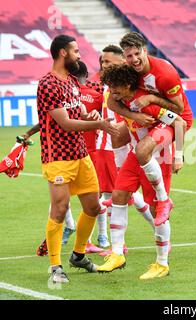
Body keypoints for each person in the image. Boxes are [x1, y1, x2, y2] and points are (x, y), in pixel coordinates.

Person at [98, 37, 193, 279]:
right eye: (128, 56)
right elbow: (112, 101)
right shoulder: (126, 86)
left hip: (163, 139)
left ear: (145, 50)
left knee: (154, 206)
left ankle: (162, 262)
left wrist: (179, 155)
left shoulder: (162, 77)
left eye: (136, 54)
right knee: (119, 193)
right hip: (139, 146)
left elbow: (180, 117)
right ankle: (117, 253)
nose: (133, 59)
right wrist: (132, 114)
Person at [36, 34, 118, 284]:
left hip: (81, 155)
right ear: (62, 53)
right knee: (59, 210)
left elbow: (79, 112)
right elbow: (65, 122)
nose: (79, 55)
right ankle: (55, 266)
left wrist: (92, 114)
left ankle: (79, 255)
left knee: (93, 207)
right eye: (75, 50)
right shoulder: (48, 84)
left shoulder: (72, 81)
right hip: (58, 157)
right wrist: (101, 125)